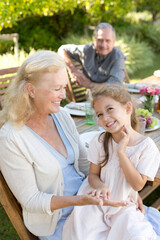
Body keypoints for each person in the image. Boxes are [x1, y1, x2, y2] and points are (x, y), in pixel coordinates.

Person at [0, 51, 128, 240]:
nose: (63, 95)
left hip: (90, 205)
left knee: (139, 225)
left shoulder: (62, 115)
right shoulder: (11, 138)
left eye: (63, 87)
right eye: (56, 89)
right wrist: (80, 201)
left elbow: (86, 165)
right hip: (60, 223)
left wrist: (126, 191)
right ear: (31, 90)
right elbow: (31, 200)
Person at [62, 85, 160, 240]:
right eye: (100, 114)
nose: (105, 118)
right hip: (97, 200)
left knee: (137, 235)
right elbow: (93, 175)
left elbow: (137, 185)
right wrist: (100, 186)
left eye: (110, 109)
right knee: (83, 235)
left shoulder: (146, 148)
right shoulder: (99, 141)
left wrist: (121, 152)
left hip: (123, 204)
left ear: (128, 108)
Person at [58, 22, 126, 89]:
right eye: (100, 40)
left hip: (110, 95)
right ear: (94, 39)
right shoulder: (86, 51)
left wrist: (90, 85)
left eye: (107, 41)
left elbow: (115, 85)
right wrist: (73, 70)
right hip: (90, 96)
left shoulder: (118, 56)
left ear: (114, 41)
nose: (103, 45)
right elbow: (62, 49)